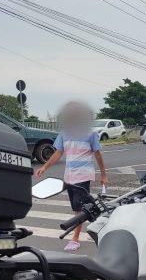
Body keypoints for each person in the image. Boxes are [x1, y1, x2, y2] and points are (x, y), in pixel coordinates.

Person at [34, 101, 108, 252]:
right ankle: (97, 226)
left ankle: (75, 239)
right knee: (78, 207)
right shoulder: (64, 134)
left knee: (80, 209)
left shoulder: (90, 134)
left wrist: (104, 175)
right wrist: (45, 167)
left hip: (83, 176)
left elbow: (98, 154)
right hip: (69, 177)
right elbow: (58, 153)